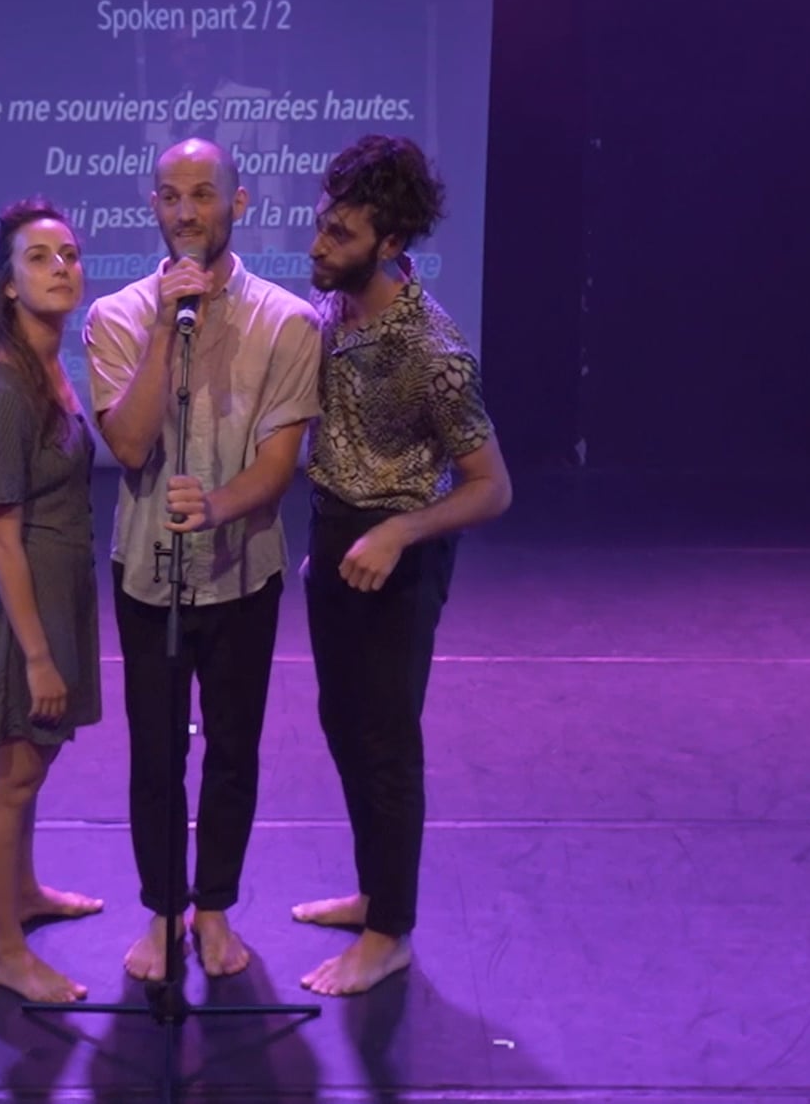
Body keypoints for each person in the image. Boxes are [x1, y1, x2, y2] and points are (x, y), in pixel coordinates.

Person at [83, 139, 321, 981]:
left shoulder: (289, 322)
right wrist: (163, 325)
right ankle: (162, 911)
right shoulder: (116, 316)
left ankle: (213, 907)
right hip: (149, 575)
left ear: (238, 203)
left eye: (203, 195)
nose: (186, 213)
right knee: (155, 754)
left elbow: (281, 461)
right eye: (170, 196)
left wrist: (217, 506)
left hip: (244, 571)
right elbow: (128, 444)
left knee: (232, 749)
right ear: (153, 205)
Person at [292, 135, 513, 997]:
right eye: (323, 223)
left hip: (400, 555)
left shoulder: (434, 352)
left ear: (388, 243)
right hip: (334, 538)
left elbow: (492, 488)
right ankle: (373, 893)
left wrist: (399, 532)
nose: (319, 244)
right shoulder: (334, 309)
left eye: (340, 234)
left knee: (386, 739)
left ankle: (391, 934)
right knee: (342, 723)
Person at [0, 198, 107, 1004]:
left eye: (69, 254)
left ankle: (25, 892)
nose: (60, 268)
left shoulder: (50, 367)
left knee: (29, 768)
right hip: (21, 613)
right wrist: (40, 656)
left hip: (57, 591)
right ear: (8, 284)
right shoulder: (3, 387)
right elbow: (2, 537)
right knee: (10, 777)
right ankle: (5, 952)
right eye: (39, 257)